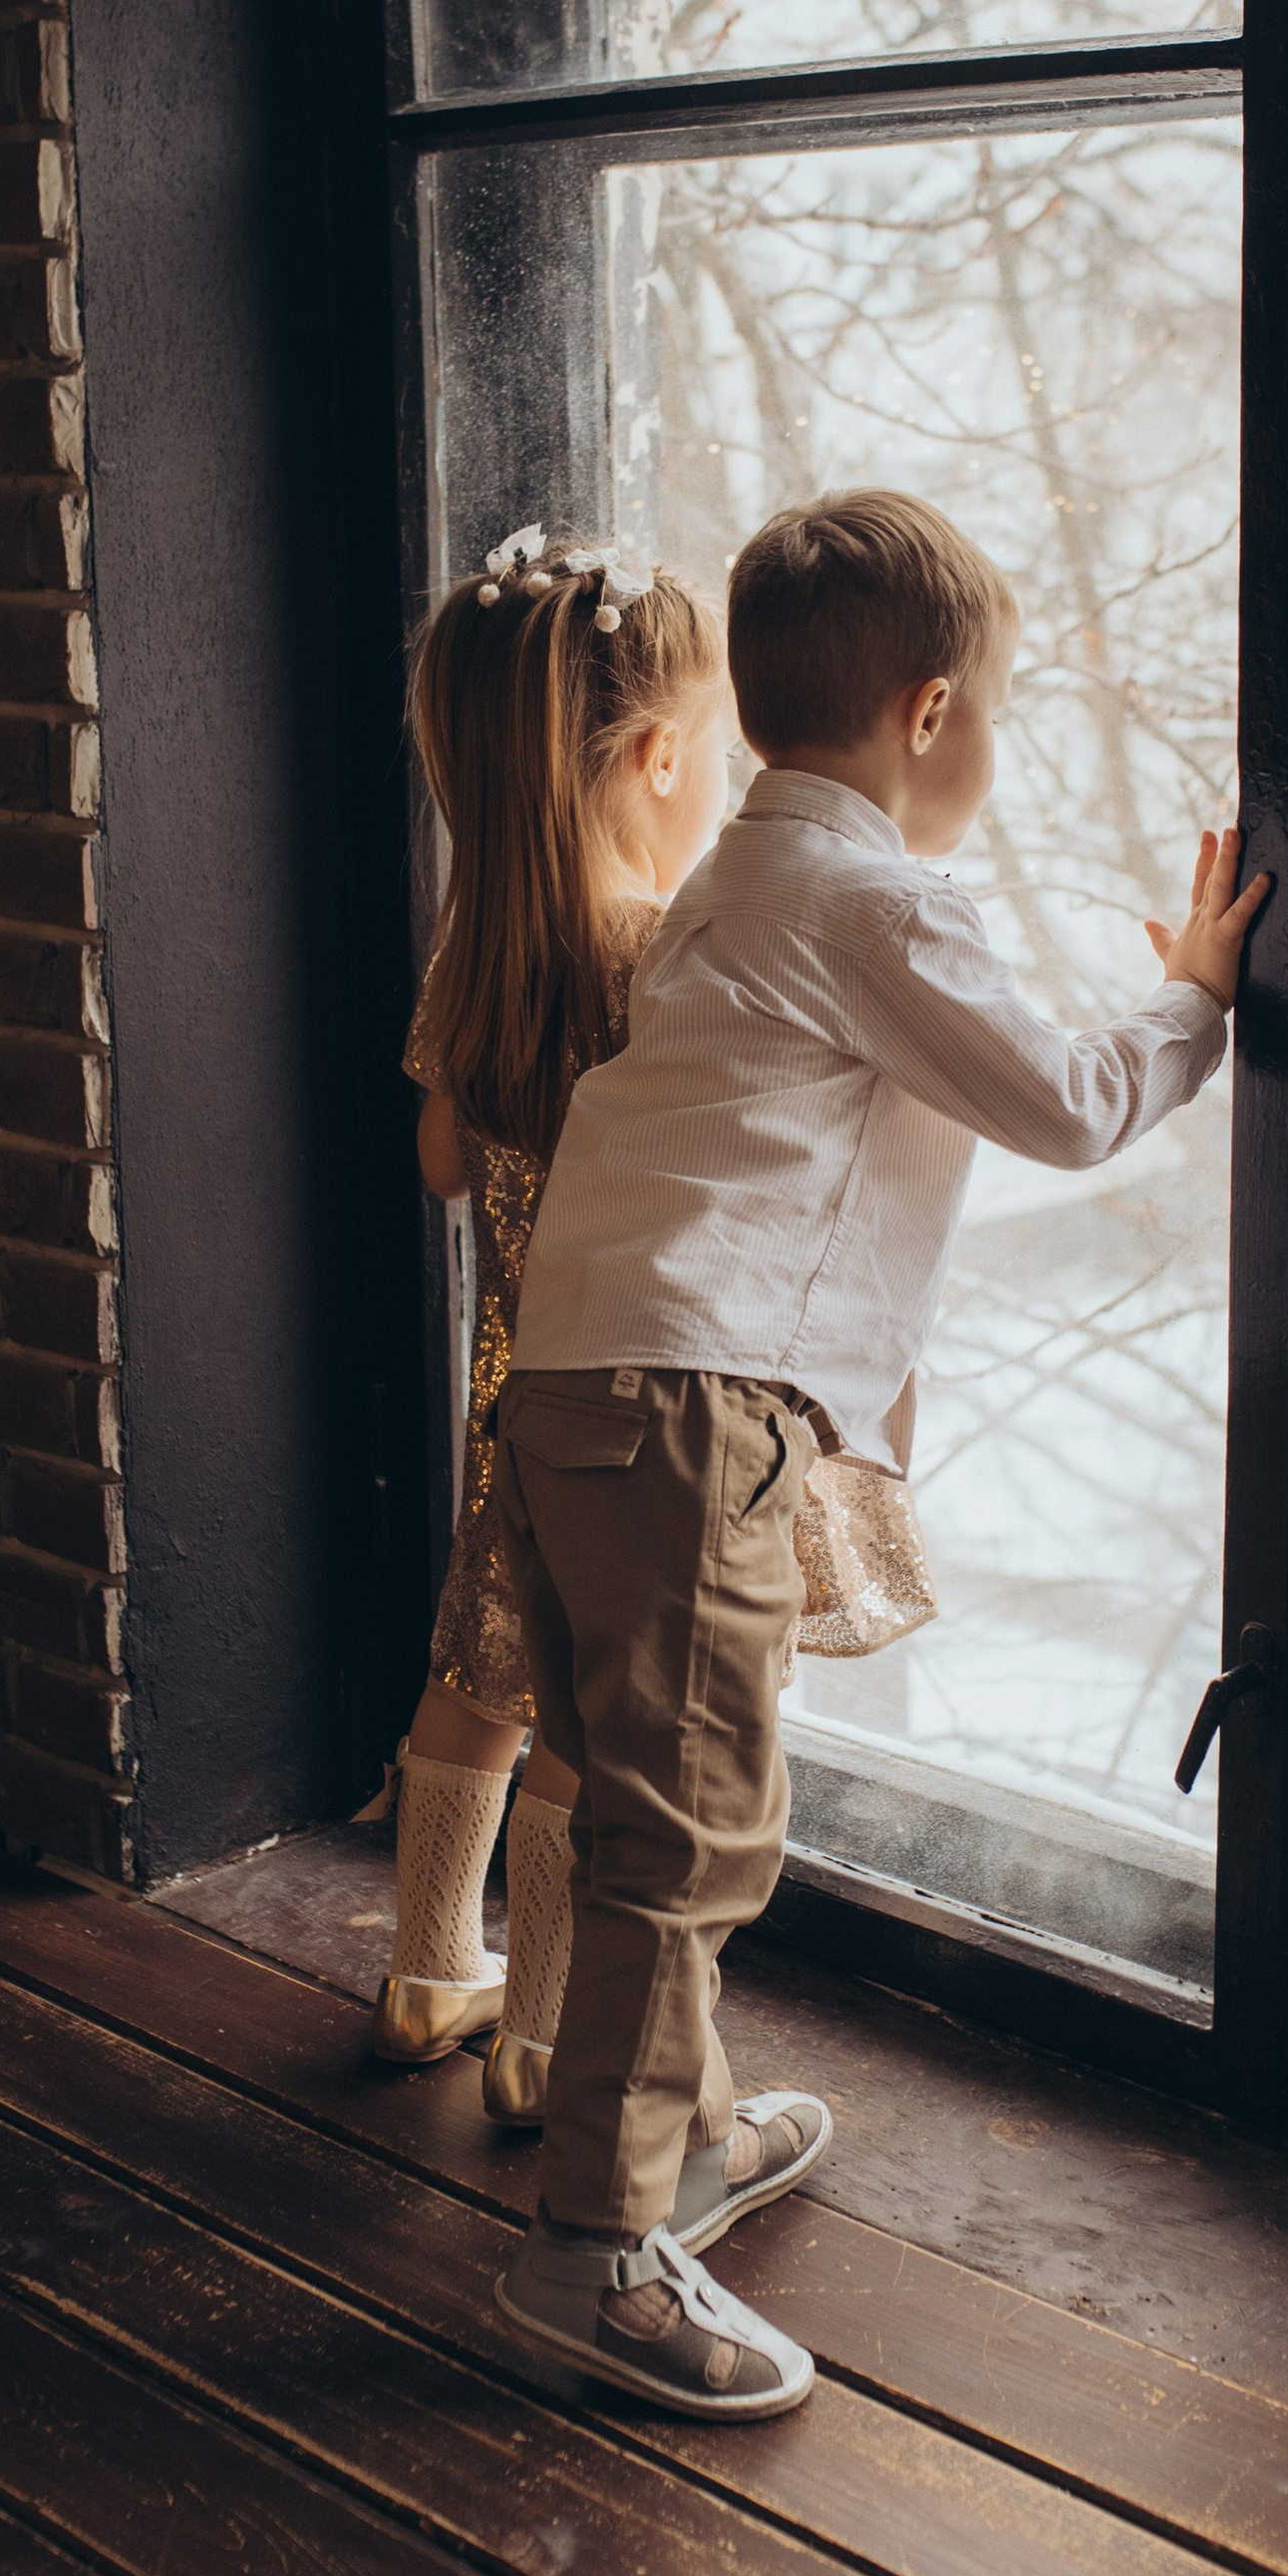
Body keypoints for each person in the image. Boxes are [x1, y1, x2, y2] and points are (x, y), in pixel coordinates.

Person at [489, 486, 1268, 2419]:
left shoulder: (728, 889)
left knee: (640, 1790)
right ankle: (598, 2250)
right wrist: (1195, 993)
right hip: (687, 1401)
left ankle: (663, 2151)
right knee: (687, 1825)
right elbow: (1069, 1103)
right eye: (989, 714)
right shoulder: (868, 897)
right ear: (927, 715)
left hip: (580, 1383)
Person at [374, 524, 935, 2119]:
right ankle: (546, 2039)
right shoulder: (666, 951)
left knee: (475, 1671)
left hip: (514, 1399)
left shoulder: (477, 944)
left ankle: (428, 1973)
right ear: (659, 753)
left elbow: (438, 1161)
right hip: (640, 1401)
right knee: (599, 1721)